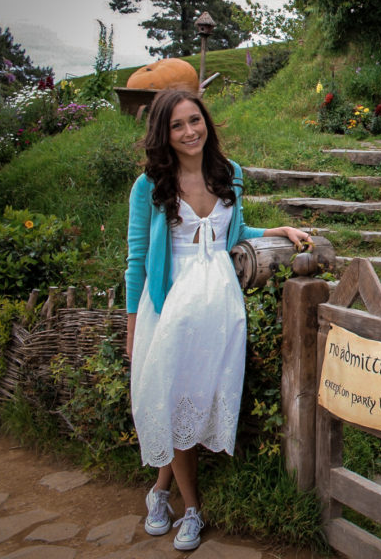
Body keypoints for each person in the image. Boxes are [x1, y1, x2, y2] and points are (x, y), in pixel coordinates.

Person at [124, 89, 308, 551]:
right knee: (174, 402)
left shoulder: (230, 174)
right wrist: (132, 328)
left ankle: (159, 489)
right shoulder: (149, 186)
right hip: (170, 309)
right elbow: (137, 259)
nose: (190, 131)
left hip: (220, 307)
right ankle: (192, 509)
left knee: (190, 403)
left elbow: (231, 232)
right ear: (163, 134)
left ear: (206, 121)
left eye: (195, 120)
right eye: (177, 125)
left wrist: (277, 230)